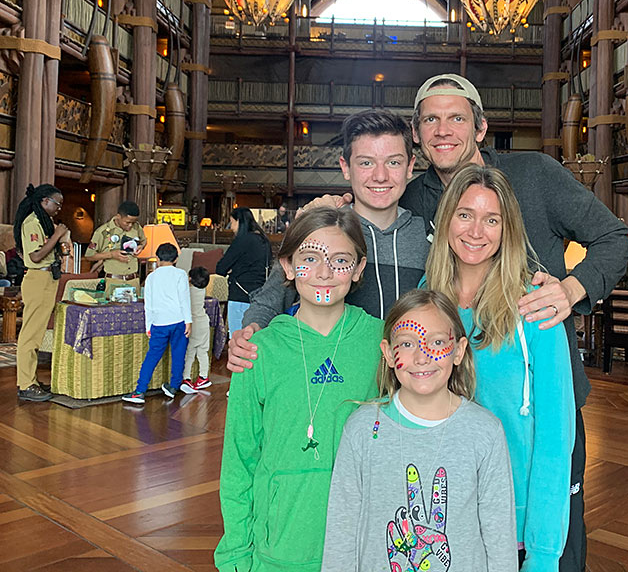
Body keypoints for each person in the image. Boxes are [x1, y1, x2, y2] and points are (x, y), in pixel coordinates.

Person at [400, 74, 628, 572]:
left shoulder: (535, 175)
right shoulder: (414, 198)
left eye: (457, 117)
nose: (443, 130)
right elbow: (341, 236)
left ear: (480, 128)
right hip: (458, 415)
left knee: (556, 540)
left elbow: (615, 238)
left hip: (543, 400)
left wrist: (570, 290)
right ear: (416, 134)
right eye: (431, 120)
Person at [215, 207, 382, 572]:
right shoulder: (258, 350)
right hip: (280, 547)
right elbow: (240, 461)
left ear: (358, 269)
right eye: (309, 259)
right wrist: (235, 555)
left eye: (340, 260)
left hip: (363, 544)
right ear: (288, 267)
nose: (324, 273)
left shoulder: (380, 340)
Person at [425, 165, 575, 571]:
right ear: (446, 220)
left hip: (510, 518)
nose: (477, 231)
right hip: (435, 516)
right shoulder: (424, 302)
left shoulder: (536, 306)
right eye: (465, 214)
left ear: (507, 229)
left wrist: (543, 555)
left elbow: (555, 437)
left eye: (492, 219)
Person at [321, 289, 518, 572]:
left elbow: (499, 538)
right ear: (389, 354)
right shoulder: (363, 428)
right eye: (407, 343)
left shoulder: (485, 432)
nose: (422, 356)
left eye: (437, 342)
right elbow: (342, 531)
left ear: (459, 351)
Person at [227, 109, 428, 370]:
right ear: (345, 167)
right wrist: (250, 332)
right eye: (366, 162)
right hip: (330, 380)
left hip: (409, 384)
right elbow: (272, 297)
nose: (380, 176)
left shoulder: (427, 235)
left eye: (393, 162)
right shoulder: (319, 229)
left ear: (410, 166)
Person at [13, 184, 71, 402]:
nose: (59, 208)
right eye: (57, 204)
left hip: (48, 279)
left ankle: (32, 381)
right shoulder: (31, 223)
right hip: (38, 279)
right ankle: (26, 385)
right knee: (30, 335)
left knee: (36, 335)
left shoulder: (42, 223)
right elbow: (36, 256)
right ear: (44, 201)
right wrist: (57, 235)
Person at [122, 243, 191, 404]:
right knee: (179, 355)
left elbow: (149, 305)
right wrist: (188, 321)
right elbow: (184, 300)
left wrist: (148, 326)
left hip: (159, 323)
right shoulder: (181, 274)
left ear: (158, 259)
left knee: (152, 356)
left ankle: (140, 391)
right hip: (179, 321)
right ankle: (174, 387)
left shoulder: (151, 277)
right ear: (176, 259)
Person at [216, 207, 272, 337]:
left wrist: (232, 268)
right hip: (259, 296)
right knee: (255, 339)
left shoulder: (242, 240)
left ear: (239, 221)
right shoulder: (263, 240)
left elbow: (221, 268)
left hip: (240, 295)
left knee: (238, 338)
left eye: (232, 222)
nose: (231, 228)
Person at [85, 201, 146, 283]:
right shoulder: (102, 232)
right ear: (118, 216)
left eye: (133, 222)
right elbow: (89, 256)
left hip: (133, 280)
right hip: (113, 280)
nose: (130, 225)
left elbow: (143, 241)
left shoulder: (137, 227)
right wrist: (111, 255)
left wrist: (141, 247)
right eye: (127, 222)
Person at [180, 266, 212, 393]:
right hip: (204, 322)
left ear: (190, 279)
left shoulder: (188, 291)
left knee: (190, 352)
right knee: (203, 351)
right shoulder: (202, 290)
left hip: (194, 324)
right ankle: (203, 377)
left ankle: (186, 377)